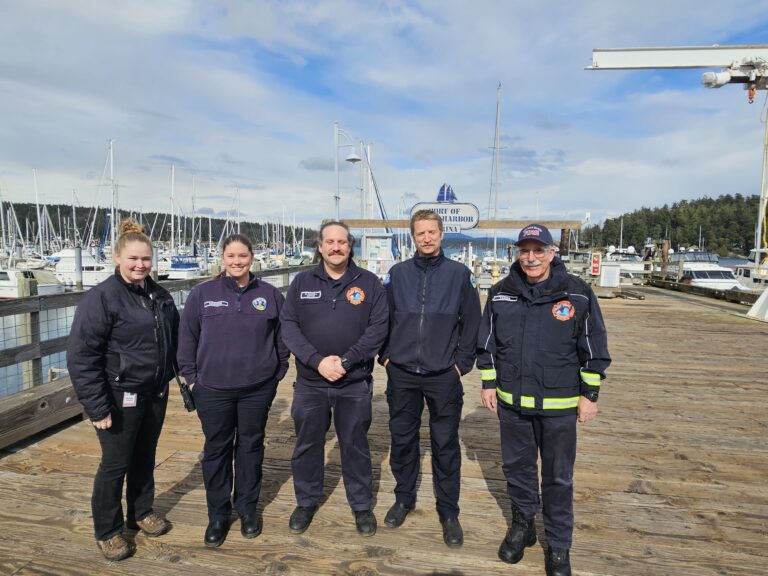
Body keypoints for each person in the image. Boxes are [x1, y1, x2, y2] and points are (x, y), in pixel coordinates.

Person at [477, 223, 611, 576]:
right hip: (512, 404)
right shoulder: (501, 292)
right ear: (517, 254)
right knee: (517, 471)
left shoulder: (577, 293)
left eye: (539, 250)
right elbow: (486, 344)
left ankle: (559, 544)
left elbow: (594, 348)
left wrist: (590, 395)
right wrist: (488, 384)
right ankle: (524, 525)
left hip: (560, 407)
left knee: (558, 478)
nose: (531, 257)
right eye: (525, 250)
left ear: (553, 253)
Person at [68, 219, 179, 561]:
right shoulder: (101, 298)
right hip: (119, 396)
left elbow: (172, 339)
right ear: (118, 257)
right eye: (133, 259)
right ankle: (108, 529)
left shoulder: (159, 295)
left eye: (146, 259)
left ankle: (140, 510)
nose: (140, 265)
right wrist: (97, 406)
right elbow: (81, 356)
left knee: (145, 456)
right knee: (115, 464)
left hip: (154, 393)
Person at [177, 234, 289, 547]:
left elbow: (282, 336)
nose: (237, 261)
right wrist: (192, 379)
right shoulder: (202, 294)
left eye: (242, 256)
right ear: (222, 258)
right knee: (217, 450)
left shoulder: (268, 294)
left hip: (257, 388)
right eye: (231, 256)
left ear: (251, 258)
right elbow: (186, 338)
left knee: (251, 447)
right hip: (212, 389)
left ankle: (248, 508)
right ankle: (218, 513)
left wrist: (277, 373)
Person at [379, 209, 481, 548]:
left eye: (431, 232)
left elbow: (472, 324)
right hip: (403, 372)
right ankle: (404, 498)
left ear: (441, 234)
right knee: (403, 439)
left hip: (443, 374)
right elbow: (382, 318)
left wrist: (460, 365)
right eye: (420, 233)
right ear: (413, 236)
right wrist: (386, 356)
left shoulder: (459, 274)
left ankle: (448, 511)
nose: (426, 238)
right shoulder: (398, 274)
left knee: (445, 443)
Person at [280, 221, 388, 537]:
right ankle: (306, 501)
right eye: (330, 241)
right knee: (307, 445)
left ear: (350, 245)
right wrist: (316, 361)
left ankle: (361, 505)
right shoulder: (301, 282)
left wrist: (346, 360)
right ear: (320, 246)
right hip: (311, 383)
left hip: (353, 382)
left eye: (342, 241)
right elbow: (289, 326)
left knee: (355, 446)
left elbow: (378, 328)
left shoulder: (369, 283)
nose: (336, 247)